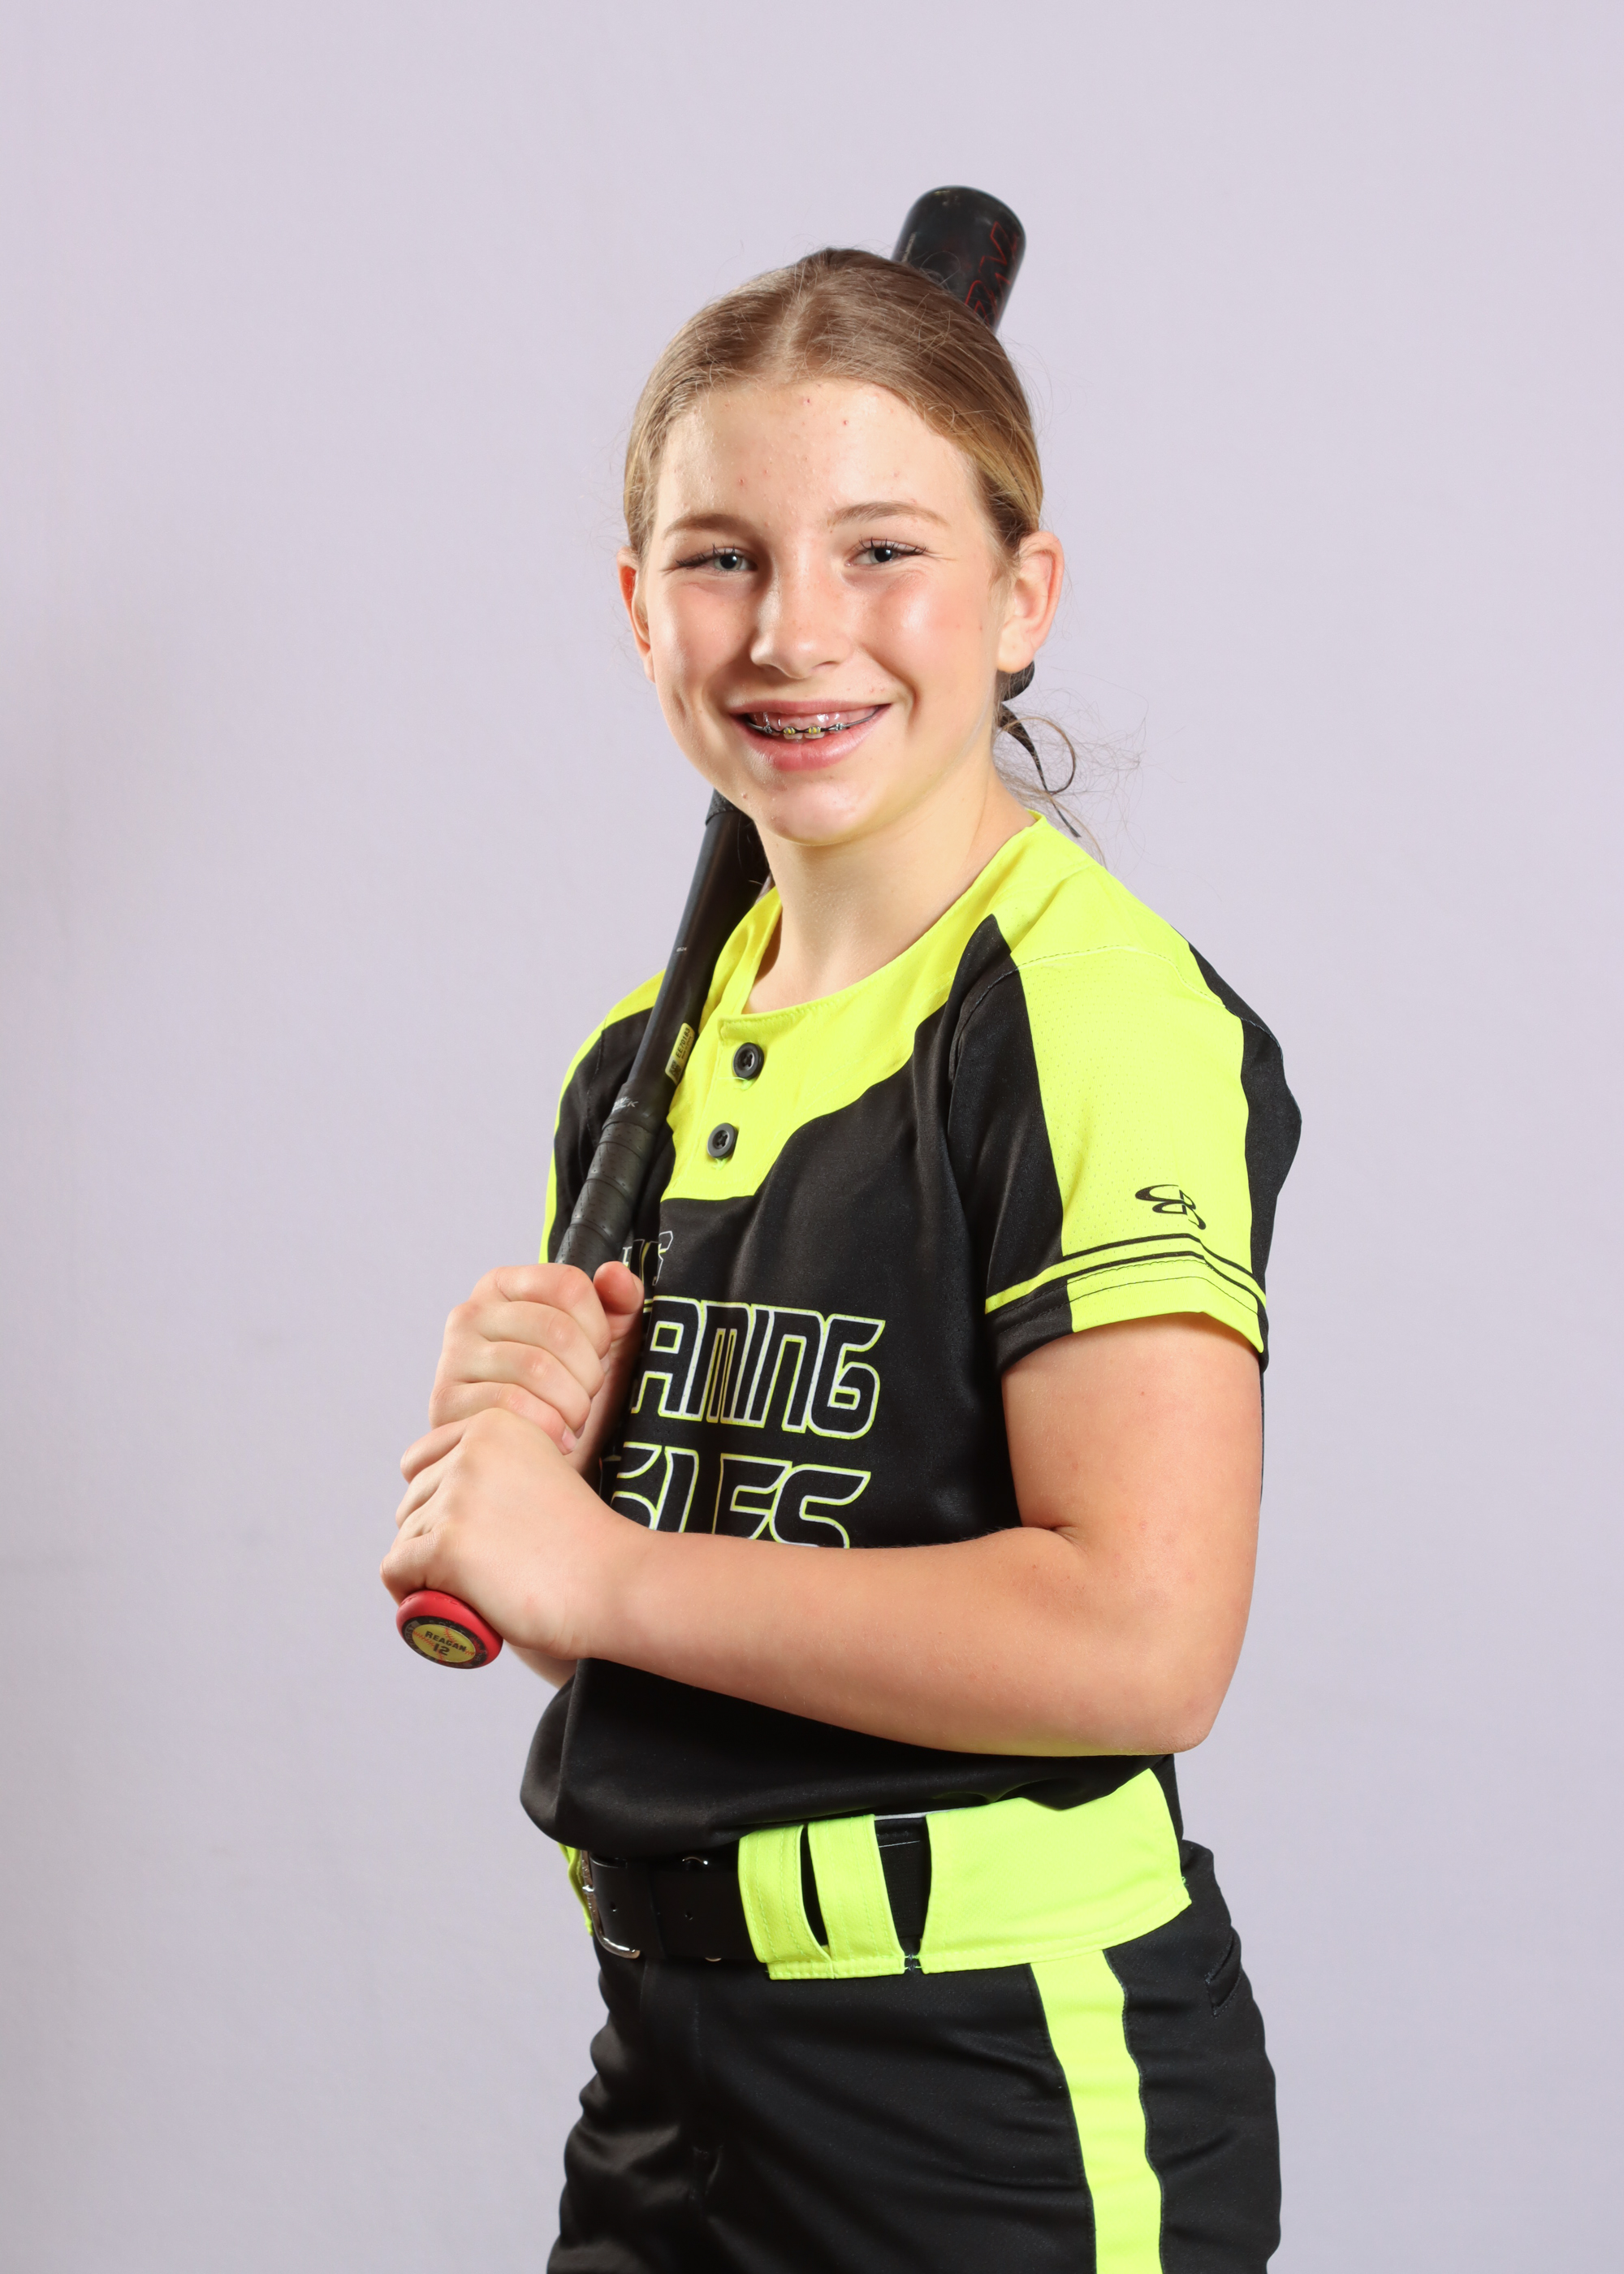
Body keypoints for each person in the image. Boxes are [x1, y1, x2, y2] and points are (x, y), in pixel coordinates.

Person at [382, 246, 1299, 2272]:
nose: (795, 629)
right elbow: (668, 1626)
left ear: (1022, 598)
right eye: (721, 558)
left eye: (882, 548)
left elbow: (1142, 1637)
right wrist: (530, 1498)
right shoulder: (637, 1062)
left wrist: (597, 1564)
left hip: (991, 2092)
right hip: (673, 2062)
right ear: (641, 610)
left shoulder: (1085, 1019)